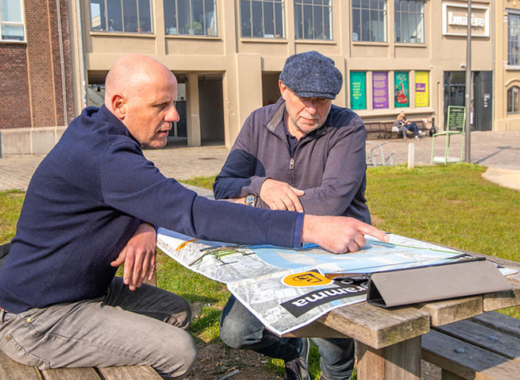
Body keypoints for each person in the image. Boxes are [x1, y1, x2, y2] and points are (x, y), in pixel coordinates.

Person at [0, 54, 387, 379]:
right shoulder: (108, 156)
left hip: (82, 290)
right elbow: (193, 209)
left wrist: (144, 223)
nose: (175, 116)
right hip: (39, 315)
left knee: (178, 312)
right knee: (179, 351)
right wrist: (308, 225)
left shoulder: (97, 131)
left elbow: (148, 195)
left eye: (174, 102)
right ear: (119, 104)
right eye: (160, 106)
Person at [213, 51, 369, 380]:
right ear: (283, 88)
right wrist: (263, 184)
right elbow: (224, 186)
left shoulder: (348, 126)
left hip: (333, 250)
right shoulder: (258, 121)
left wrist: (252, 204)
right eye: (303, 98)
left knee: (333, 347)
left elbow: (330, 203)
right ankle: (294, 350)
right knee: (235, 332)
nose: (312, 110)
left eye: (322, 101)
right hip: (270, 247)